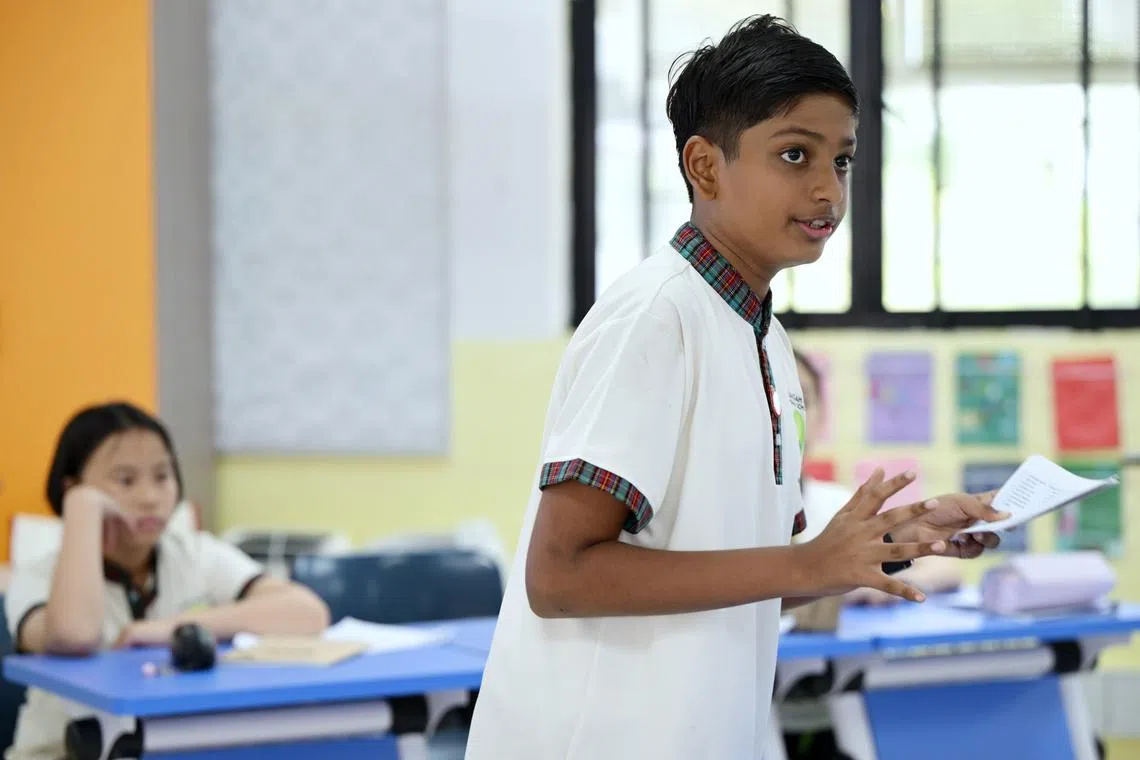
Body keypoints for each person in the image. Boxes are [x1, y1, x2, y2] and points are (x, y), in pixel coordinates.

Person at [464, 15, 1004, 760]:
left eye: (841, 161)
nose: (827, 190)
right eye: (794, 155)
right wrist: (807, 563)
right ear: (706, 167)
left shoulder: (766, 342)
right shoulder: (655, 317)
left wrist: (880, 544)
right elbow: (559, 575)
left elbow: (746, 577)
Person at [4, 402, 330, 760]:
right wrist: (82, 507)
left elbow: (307, 613)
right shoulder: (36, 575)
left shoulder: (193, 554)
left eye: (162, 476)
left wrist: (166, 629)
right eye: (125, 480)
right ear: (73, 489)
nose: (150, 498)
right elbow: (75, 635)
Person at [794, 350, 963, 604]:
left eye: (800, 401)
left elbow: (942, 568)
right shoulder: (721, 512)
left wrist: (895, 584)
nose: (785, 418)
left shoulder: (836, 504)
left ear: (822, 418)